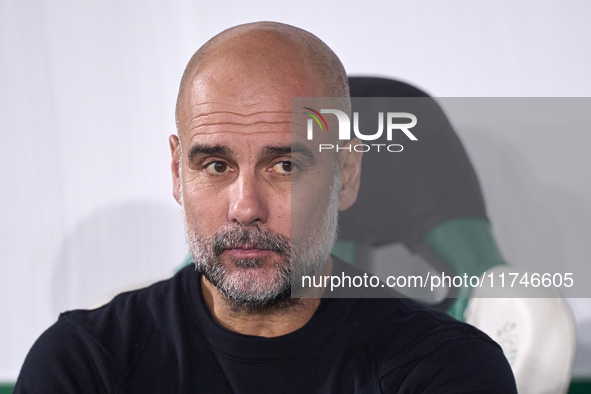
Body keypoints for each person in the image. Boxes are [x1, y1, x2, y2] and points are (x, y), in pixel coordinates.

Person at [15, 22, 517, 393]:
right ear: (176, 174)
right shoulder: (84, 366)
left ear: (346, 175)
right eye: (215, 166)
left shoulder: (445, 369)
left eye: (285, 166)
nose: (245, 208)